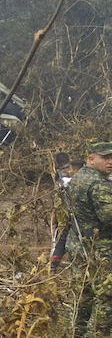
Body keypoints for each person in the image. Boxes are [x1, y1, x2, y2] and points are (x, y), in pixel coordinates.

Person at [67, 141, 112, 336]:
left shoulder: (78, 178)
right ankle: (97, 334)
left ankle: (77, 333)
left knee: (82, 294)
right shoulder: (98, 183)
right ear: (91, 159)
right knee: (105, 296)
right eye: (105, 157)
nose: (110, 161)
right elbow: (108, 216)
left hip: (78, 244)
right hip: (100, 248)